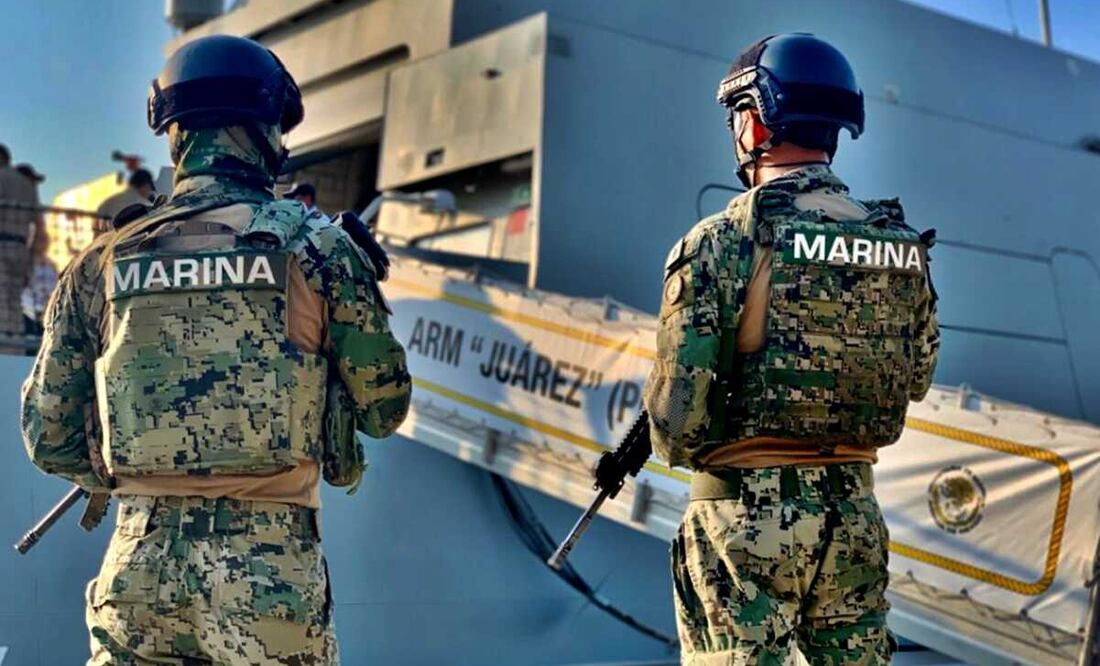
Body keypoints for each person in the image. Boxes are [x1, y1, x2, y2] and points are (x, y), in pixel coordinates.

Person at [21, 34, 412, 665]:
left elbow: (47, 434)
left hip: (137, 566)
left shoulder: (102, 261)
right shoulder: (319, 250)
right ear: (267, 132)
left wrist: (136, 472)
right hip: (268, 571)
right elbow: (384, 409)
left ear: (172, 133)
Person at [642, 33, 939, 664]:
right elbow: (915, 379)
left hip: (743, 519)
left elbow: (674, 420)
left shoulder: (721, 242)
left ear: (754, 122)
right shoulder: (900, 246)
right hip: (854, 515)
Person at [0, 144, 37, 353]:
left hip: (2, 244)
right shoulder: (26, 184)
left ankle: (5, 350)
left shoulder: (1, 177)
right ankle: (17, 350)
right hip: (21, 246)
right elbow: (36, 222)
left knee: (1, 301)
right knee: (15, 303)